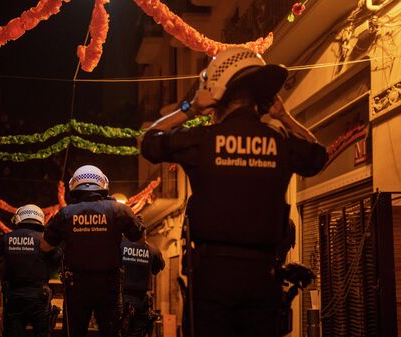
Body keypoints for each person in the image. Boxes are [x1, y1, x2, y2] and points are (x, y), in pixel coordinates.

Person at [140, 47, 328, 337]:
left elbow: (150, 141)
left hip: (211, 280)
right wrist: (286, 116)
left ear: (217, 95)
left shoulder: (203, 140)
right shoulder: (279, 141)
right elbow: (318, 156)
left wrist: (191, 108)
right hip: (264, 279)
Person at [40, 165, 145, 337]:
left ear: (74, 186)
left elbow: (44, 246)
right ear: (103, 184)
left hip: (76, 287)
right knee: (111, 332)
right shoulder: (118, 209)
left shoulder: (65, 213)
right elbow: (140, 240)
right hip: (109, 286)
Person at [0, 204, 63, 337]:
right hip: (38, 297)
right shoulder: (45, 240)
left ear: (20, 218)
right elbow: (58, 259)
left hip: (13, 296)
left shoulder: (6, 239)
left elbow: (0, 260)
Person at [121, 229, 165, 337]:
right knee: (139, 331)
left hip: (122, 297)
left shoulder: (120, 246)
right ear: (144, 234)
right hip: (141, 299)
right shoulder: (152, 249)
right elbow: (158, 268)